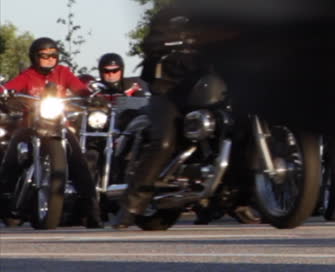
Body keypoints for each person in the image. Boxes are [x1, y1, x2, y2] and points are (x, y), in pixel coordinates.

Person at [110, 13, 211, 229]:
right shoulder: (172, 15)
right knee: (164, 140)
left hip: (210, 90)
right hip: (169, 90)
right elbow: (151, 42)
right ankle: (131, 205)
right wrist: (175, 41)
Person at [0, 38, 102, 227]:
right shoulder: (28, 75)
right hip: (30, 127)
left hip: (58, 126)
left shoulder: (63, 73)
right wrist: (5, 93)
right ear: (34, 57)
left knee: (80, 161)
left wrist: (90, 96)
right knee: (12, 155)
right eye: (44, 56)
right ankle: (5, 201)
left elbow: (80, 88)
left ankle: (92, 212)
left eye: (53, 55)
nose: (49, 59)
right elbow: (9, 88)